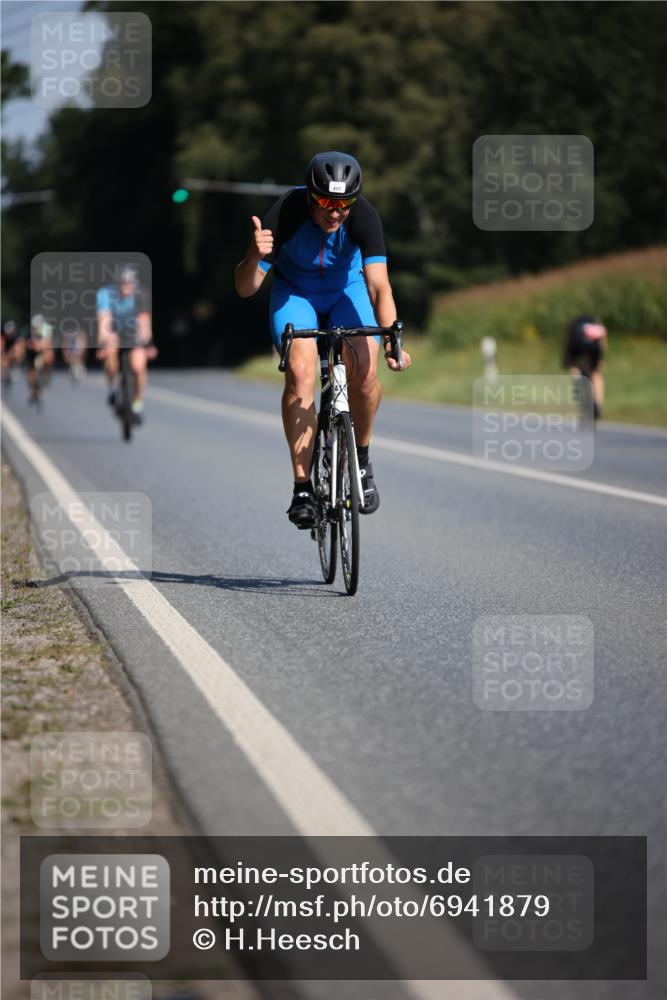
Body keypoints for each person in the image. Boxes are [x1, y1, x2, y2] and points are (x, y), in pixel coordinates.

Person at [234, 151, 411, 528]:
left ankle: (360, 461)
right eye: (327, 203)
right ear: (311, 197)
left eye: (344, 204)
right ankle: (302, 488)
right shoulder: (285, 213)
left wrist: (394, 338)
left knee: (364, 371)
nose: (335, 212)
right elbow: (246, 288)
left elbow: (379, 286)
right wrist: (254, 255)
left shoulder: (364, 216)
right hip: (295, 292)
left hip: (347, 290)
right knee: (300, 373)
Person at [96, 266, 156, 423]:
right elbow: (104, 322)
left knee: (138, 367)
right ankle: (113, 389)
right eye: (123, 284)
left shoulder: (140, 295)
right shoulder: (105, 294)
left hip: (133, 333)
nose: (126, 287)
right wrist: (104, 342)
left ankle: (137, 402)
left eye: (129, 283)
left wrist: (148, 344)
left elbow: (144, 324)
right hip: (114, 330)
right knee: (110, 357)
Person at [563, 314, 607, 420]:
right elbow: (603, 342)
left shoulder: (574, 327)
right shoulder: (596, 325)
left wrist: (568, 362)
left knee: (575, 370)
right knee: (596, 373)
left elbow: (569, 345)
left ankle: (582, 401)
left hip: (577, 346)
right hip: (595, 347)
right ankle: (597, 405)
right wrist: (601, 360)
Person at [1, 319, 25, 384]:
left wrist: (17, 356)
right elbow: (1, 344)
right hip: (5, 347)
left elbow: (20, 347)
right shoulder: (2, 334)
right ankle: (4, 371)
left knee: (16, 352)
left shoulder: (17, 336)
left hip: (13, 348)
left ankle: (14, 366)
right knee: (3, 359)